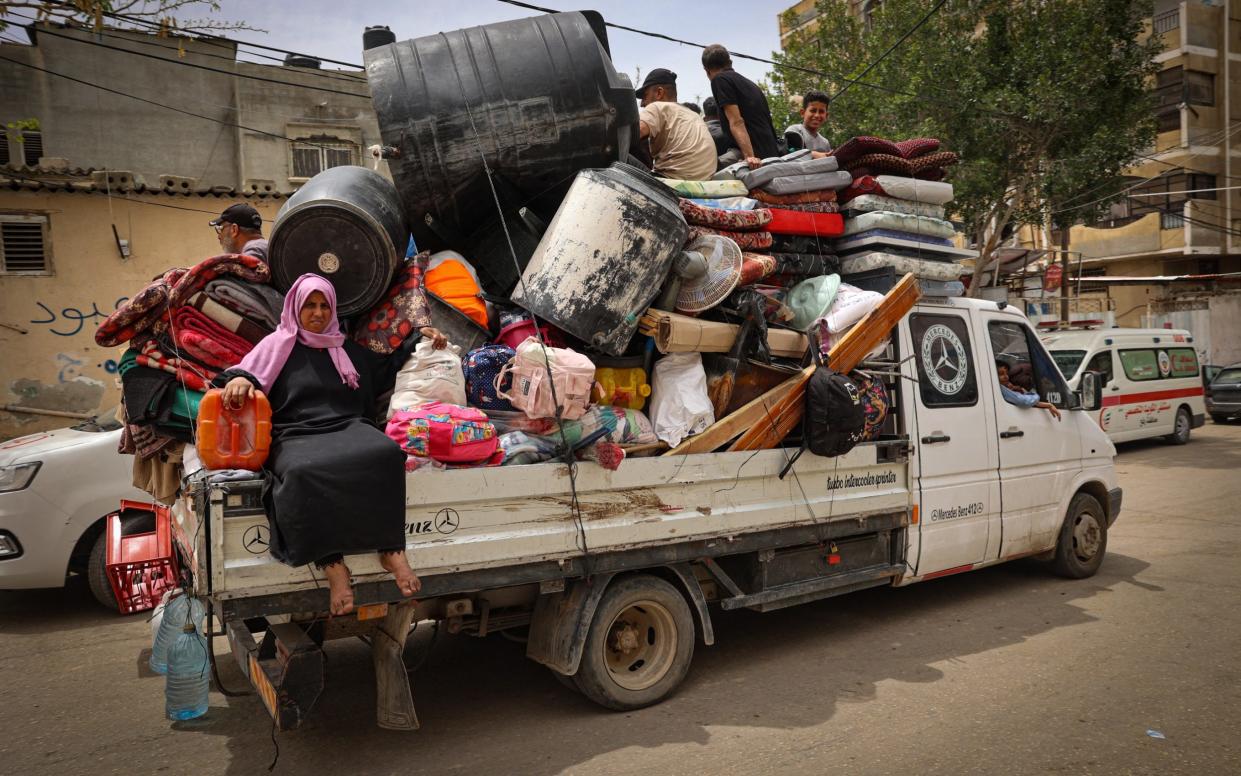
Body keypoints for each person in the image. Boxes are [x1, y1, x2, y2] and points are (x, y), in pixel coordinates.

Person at [217, 274, 449, 615]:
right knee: (300, 472)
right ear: (295, 308)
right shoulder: (276, 345)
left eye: (324, 305)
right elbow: (245, 373)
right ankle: (333, 566)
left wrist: (419, 338)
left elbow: (384, 368)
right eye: (309, 305)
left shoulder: (344, 348)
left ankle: (392, 551)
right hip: (295, 434)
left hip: (348, 426)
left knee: (385, 453)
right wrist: (238, 379)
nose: (317, 312)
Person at [702, 44, 780, 168]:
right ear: (730, 62)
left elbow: (736, 121)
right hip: (771, 152)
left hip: (754, 155)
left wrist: (749, 156)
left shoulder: (720, 80)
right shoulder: (752, 85)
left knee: (704, 167)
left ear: (707, 71)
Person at [636, 68, 718, 181]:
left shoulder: (657, 107)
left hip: (669, 180)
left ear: (659, 93)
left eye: (645, 96)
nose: (642, 103)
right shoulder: (695, 116)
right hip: (702, 182)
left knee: (613, 158)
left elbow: (631, 135)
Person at [996, 360, 1061, 420]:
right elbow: (1023, 400)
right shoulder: (1000, 388)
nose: (1006, 376)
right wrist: (1035, 395)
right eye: (1001, 374)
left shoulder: (1005, 388)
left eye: (1007, 373)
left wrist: (1048, 405)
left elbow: (1030, 401)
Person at [785, 89, 833, 157]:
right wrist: (813, 155)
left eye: (821, 111)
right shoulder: (794, 131)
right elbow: (789, 155)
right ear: (802, 113)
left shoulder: (825, 143)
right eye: (813, 110)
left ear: (826, 116)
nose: (817, 115)